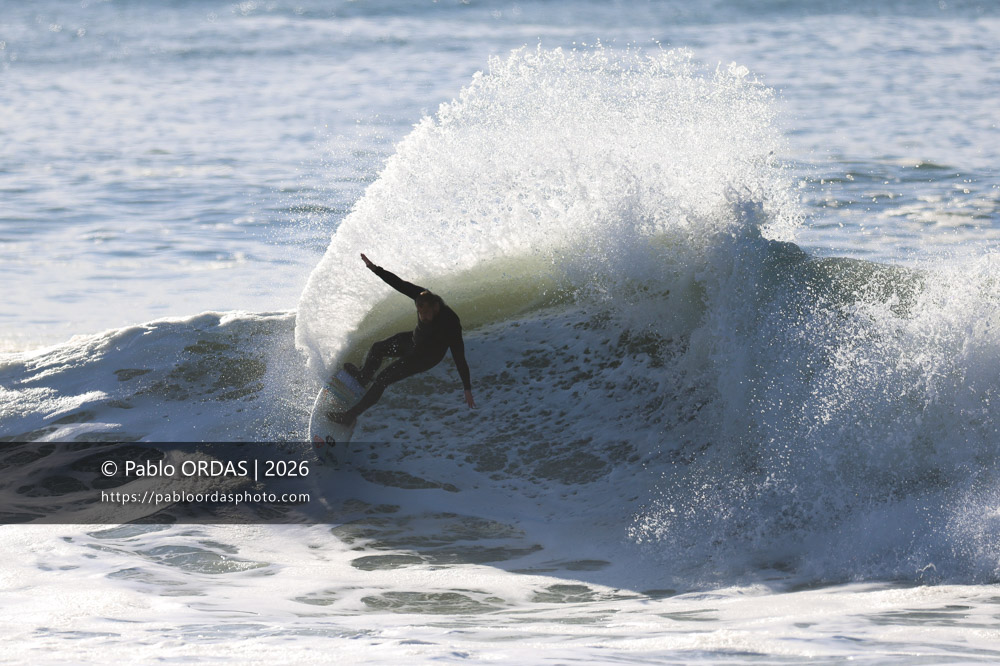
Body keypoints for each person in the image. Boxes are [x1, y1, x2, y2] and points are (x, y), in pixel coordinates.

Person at [328, 253, 476, 426]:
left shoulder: (450, 322)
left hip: (425, 358)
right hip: (413, 341)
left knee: (383, 379)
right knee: (378, 348)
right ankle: (362, 378)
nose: (424, 317)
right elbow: (399, 284)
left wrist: (467, 387)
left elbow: (459, 356)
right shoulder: (422, 296)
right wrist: (375, 268)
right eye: (421, 314)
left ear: (436, 307)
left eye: (427, 314)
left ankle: (349, 416)